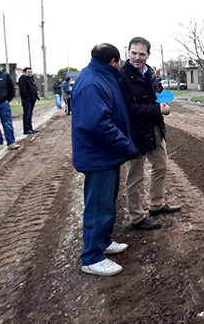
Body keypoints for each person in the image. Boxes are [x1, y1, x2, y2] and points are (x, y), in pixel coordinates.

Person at [71, 43, 139, 276]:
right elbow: (96, 124)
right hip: (98, 155)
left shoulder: (100, 75)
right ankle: (91, 256)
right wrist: (126, 145)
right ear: (113, 61)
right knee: (98, 206)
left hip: (106, 155)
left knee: (107, 202)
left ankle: (103, 242)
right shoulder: (91, 82)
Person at [120, 36, 181, 231]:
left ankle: (156, 205)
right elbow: (127, 108)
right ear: (128, 53)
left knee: (161, 166)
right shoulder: (121, 76)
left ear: (148, 54)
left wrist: (165, 106)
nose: (137, 57)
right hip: (135, 132)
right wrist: (156, 110)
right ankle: (137, 217)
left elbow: (159, 94)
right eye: (134, 53)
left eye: (142, 54)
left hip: (155, 128)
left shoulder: (150, 73)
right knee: (135, 177)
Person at [18, 67, 40, 135]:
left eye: (31, 72)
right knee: (27, 114)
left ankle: (30, 128)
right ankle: (26, 129)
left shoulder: (31, 78)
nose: (30, 73)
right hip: (27, 99)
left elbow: (34, 87)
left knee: (30, 114)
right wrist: (27, 97)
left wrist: (36, 96)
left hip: (32, 99)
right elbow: (23, 89)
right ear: (25, 72)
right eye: (29, 72)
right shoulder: (22, 79)